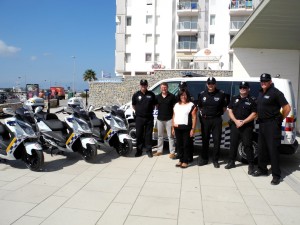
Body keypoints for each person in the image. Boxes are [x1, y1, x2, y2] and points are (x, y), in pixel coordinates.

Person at [252, 73, 291, 185]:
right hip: (262, 124)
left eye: (265, 81)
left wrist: (279, 119)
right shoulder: (260, 92)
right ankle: (262, 169)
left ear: (270, 82)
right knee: (262, 149)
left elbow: (287, 108)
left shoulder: (276, 93)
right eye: (262, 81)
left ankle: (276, 175)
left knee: (273, 150)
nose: (263, 82)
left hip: (272, 125)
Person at [225, 81, 257, 175]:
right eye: (241, 88)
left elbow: (254, 113)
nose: (243, 89)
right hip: (235, 125)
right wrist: (235, 121)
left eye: (245, 88)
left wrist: (243, 122)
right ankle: (231, 162)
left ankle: (251, 165)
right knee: (233, 144)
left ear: (248, 89)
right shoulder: (234, 98)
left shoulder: (252, 100)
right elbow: (230, 110)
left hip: (246, 126)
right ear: (239, 89)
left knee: (247, 145)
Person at [197, 77, 227, 168]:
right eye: (209, 83)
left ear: (215, 84)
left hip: (216, 120)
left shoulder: (221, 94)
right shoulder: (202, 94)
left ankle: (215, 160)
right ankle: (204, 159)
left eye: (212, 83)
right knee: (205, 140)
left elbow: (224, 108)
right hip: (205, 120)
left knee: (217, 140)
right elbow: (200, 107)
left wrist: (216, 114)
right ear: (207, 84)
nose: (211, 85)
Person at [172, 88, 197, 168]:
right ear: (179, 96)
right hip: (177, 127)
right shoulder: (176, 105)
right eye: (181, 95)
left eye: (184, 95)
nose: (183, 96)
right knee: (179, 145)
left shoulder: (191, 105)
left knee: (186, 145)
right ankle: (181, 160)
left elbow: (194, 118)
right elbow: (174, 116)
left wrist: (193, 129)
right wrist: (173, 127)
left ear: (187, 96)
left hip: (187, 128)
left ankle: (185, 161)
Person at [132, 79, 157, 158]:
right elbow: (134, 105)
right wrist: (139, 111)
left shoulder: (151, 94)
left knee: (148, 135)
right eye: (142, 85)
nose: (143, 86)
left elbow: (154, 105)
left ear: (147, 85)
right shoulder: (136, 94)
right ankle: (139, 151)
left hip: (149, 118)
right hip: (139, 118)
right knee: (139, 135)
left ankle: (149, 150)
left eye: (145, 85)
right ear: (140, 85)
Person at [153, 82, 176, 158]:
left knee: (170, 136)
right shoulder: (157, 97)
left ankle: (172, 152)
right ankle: (159, 151)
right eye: (162, 87)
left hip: (169, 119)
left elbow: (174, 108)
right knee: (160, 136)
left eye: (165, 87)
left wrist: (173, 119)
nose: (164, 89)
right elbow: (155, 106)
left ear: (167, 87)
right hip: (160, 119)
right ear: (160, 88)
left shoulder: (172, 97)